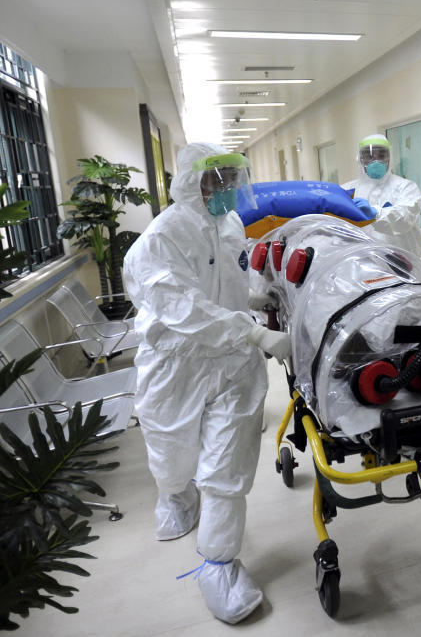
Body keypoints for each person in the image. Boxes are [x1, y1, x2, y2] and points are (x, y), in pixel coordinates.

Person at [123, 143, 292, 624]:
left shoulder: (231, 225)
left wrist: (260, 298)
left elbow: (228, 286)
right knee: (173, 455)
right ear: (188, 184)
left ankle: (219, 564)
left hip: (235, 364)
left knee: (225, 472)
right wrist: (255, 331)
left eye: (231, 179)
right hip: (176, 366)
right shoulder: (159, 240)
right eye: (215, 180)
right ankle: (176, 493)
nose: (225, 189)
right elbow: (182, 308)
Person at [341, 133, 421, 257]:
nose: (375, 160)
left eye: (381, 155)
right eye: (369, 156)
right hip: (361, 264)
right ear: (360, 159)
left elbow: (405, 218)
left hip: (401, 264)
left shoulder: (406, 188)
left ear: (390, 158)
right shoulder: (346, 190)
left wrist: (376, 214)